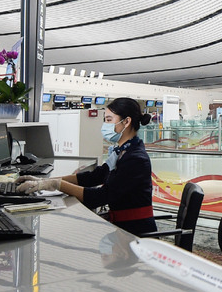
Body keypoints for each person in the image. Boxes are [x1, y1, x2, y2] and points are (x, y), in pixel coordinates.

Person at [16, 97, 156, 235]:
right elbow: (94, 177)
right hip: (121, 227)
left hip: (134, 233)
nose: (104, 125)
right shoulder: (124, 151)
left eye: (108, 120)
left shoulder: (136, 159)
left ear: (126, 121)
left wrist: (56, 184)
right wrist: (42, 181)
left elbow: (100, 197)